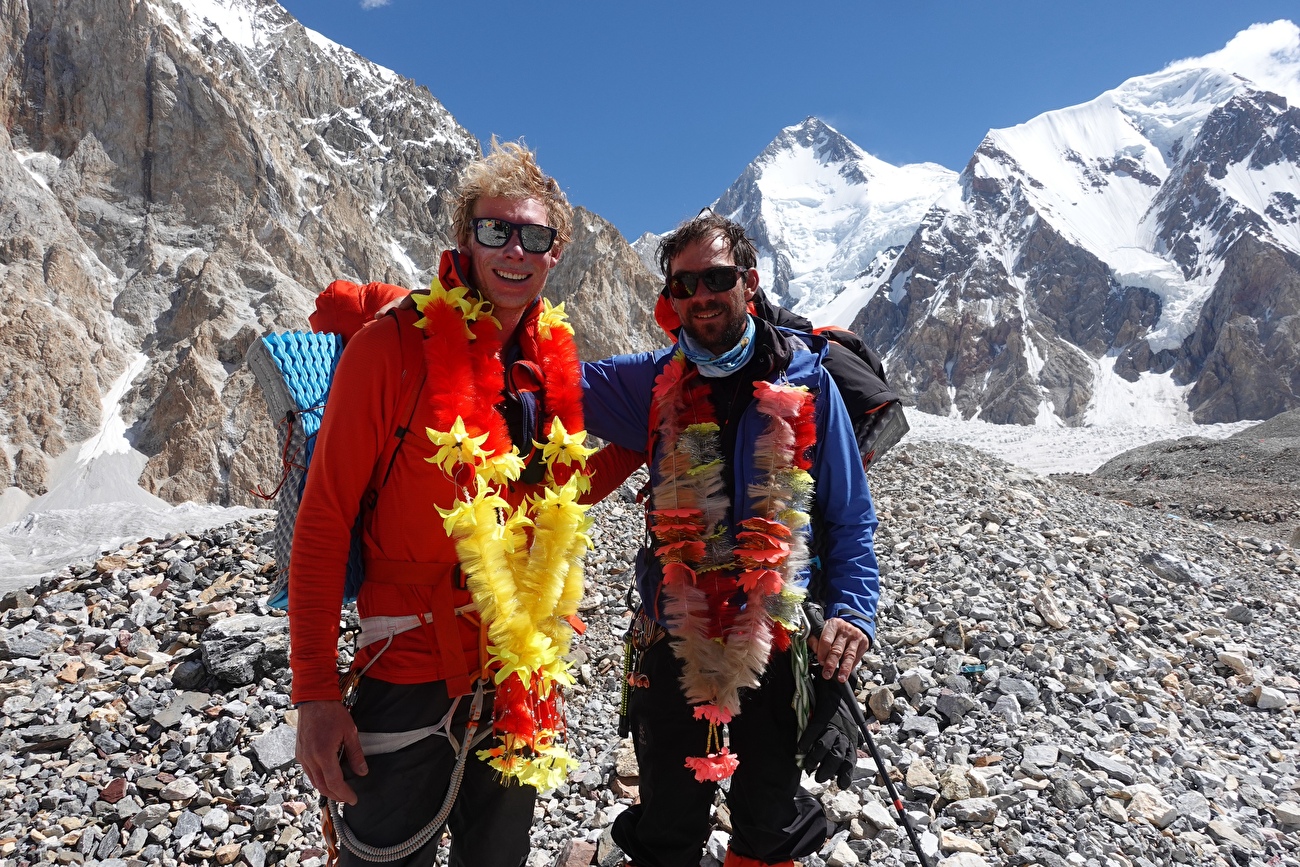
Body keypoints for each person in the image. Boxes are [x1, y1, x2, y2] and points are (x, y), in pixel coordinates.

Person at [289, 140, 586, 867]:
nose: (515, 249)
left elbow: (561, 491)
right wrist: (316, 696)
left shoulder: (549, 372)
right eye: (495, 230)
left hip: (520, 671)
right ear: (465, 239)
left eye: (534, 235)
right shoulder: (389, 349)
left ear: (556, 253)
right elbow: (323, 520)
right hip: (406, 668)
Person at [580, 212, 880, 867]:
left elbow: (849, 514)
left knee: (770, 818)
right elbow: (545, 385)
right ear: (670, 298)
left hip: (776, 632)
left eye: (716, 278)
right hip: (675, 632)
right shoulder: (648, 383)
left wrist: (854, 612)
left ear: (748, 280)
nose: (701, 296)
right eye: (683, 285)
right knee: (666, 821)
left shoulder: (809, 382)